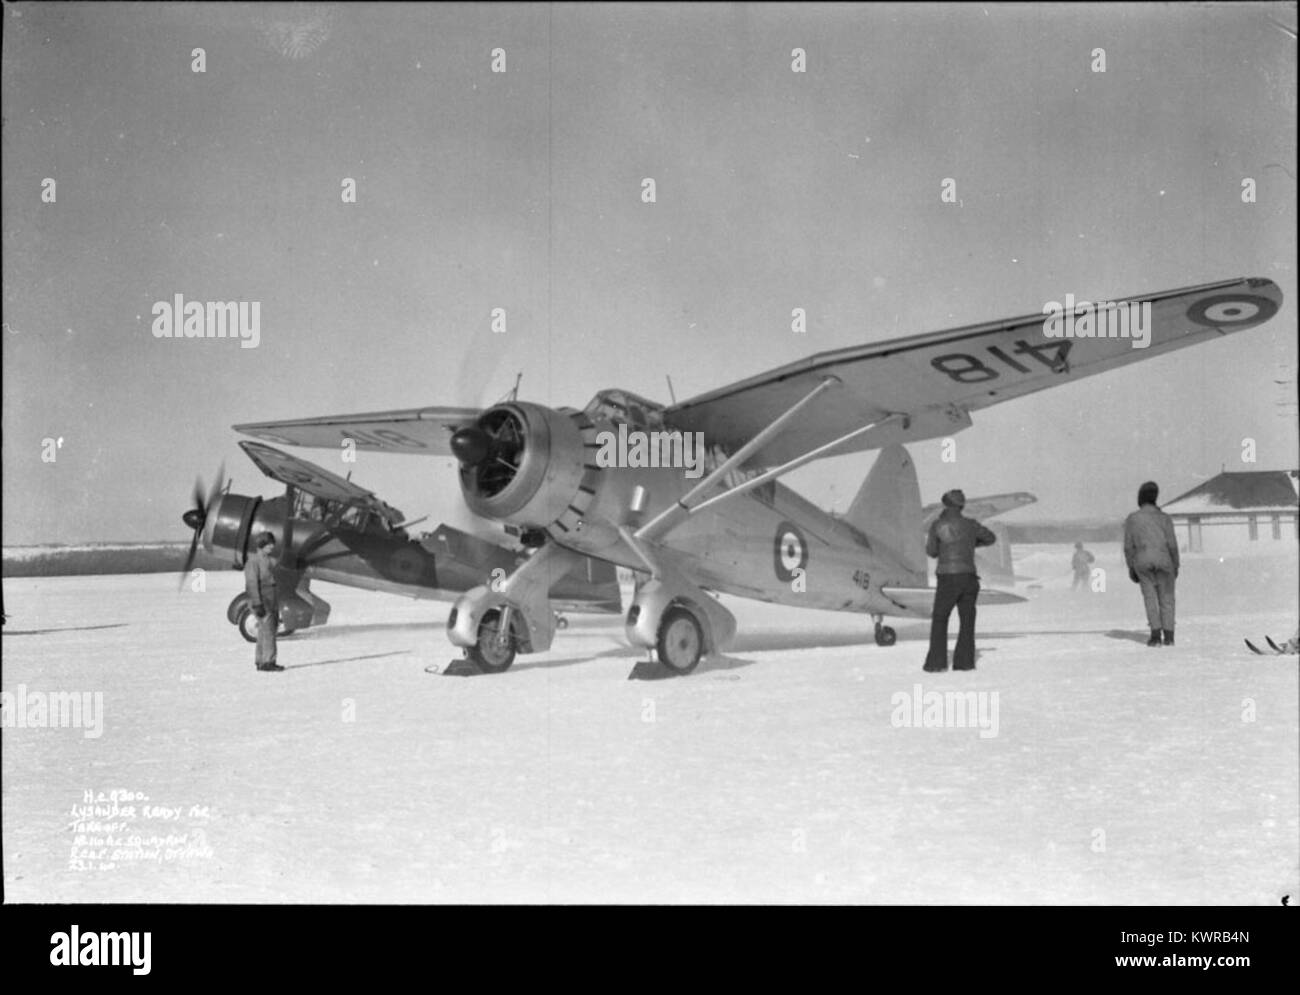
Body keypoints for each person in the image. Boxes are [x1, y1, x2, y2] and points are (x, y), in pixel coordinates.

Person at [924, 489, 997, 672]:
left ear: (945, 504)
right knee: (967, 619)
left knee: (940, 618)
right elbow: (991, 538)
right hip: (968, 577)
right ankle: (964, 663)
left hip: (947, 577)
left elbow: (931, 551)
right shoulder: (971, 524)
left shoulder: (937, 525)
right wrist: (972, 543)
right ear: (961, 506)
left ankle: (936, 663)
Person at [1123, 481, 1179, 646]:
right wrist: (1176, 565)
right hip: (1164, 560)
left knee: (1150, 598)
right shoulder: (1164, 518)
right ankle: (1169, 636)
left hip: (1142, 560)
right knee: (1167, 598)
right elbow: (1173, 545)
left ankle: (1155, 635)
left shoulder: (1133, 519)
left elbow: (1128, 546)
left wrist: (1131, 566)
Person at [244, 531, 284, 671]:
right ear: (262, 544)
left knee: (264, 631)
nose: (272, 547)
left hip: (271, 598)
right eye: (269, 544)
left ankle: (261, 660)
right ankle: (268, 662)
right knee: (269, 631)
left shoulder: (267, 559)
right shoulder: (253, 561)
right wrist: (257, 603)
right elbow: (251, 584)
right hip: (262, 599)